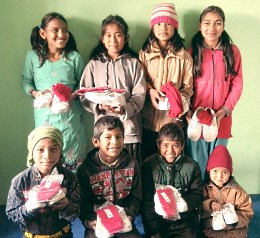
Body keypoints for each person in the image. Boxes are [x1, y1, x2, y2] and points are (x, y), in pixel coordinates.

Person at [21, 12, 87, 173]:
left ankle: (73, 197)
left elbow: (84, 84)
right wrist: (36, 93)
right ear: (43, 33)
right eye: (55, 30)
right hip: (45, 119)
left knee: (73, 166)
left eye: (65, 30)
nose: (62, 35)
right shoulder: (33, 57)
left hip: (71, 121)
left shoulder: (74, 58)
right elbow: (25, 81)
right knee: (46, 161)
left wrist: (71, 96)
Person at [79, 15, 146, 165]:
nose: (113, 40)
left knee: (130, 170)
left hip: (129, 132)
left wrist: (125, 109)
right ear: (102, 38)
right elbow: (84, 94)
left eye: (118, 35)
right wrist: (97, 106)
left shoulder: (133, 64)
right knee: (105, 173)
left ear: (126, 38)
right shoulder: (93, 65)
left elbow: (139, 94)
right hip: (104, 133)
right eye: (108, 35)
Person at [186, 6, 243, 177]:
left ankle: (215, 202)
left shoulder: (232, 52)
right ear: (200, 26)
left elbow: (237, 84)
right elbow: (186, 87)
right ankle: (200, 202)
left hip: (222, 120)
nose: (212, 28)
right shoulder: (191, 53)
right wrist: (188, 113)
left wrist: (225, 110)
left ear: (223, 26)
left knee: (218, 169)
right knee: (197, 166)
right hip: (197, 121)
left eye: (217, 23)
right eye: (207, 23)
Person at [139, 3, 193, 161]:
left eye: (168, 23)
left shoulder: (184, 57)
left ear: (175, 27)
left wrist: (177, 100)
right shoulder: (144, 54)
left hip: (174, 123)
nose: (163, 28)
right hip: (148, 122)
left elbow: (188, 89)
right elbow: (139, 81)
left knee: (173, 164)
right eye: (158, 24)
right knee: (149, 163)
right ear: (152, 27)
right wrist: (150, 90)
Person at [6, 126, 80, 237]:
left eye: (53, 149)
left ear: (60, 151)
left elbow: (77, 212)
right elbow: (11, 214)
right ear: (31, 152)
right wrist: (28, 208)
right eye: (40, 150)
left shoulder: (69, 178)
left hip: (62, 235)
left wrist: (66, 206)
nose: (47, 156)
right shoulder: (20, 181)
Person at [77, 115, 142, 238]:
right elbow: (83, 202)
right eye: (108, 137)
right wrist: (91, 221)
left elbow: (136, 196)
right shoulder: (85, 169)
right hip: (98, 221)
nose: (115, 142)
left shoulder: (132, 164)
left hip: (124, 219)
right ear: (96, 142)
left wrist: (128, 215)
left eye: (119, 137)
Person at [141, 122, 203, 238]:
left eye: (176, 145)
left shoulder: (192, 166)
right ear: (158, 144)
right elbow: (147, 201)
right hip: (159, 221)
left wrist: (185, 204)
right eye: (165, 145)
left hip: (184, 221)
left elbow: (197, 194)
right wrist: (153, 231)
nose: (170, 150)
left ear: (183, 145)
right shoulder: (148, 166)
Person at [201, 145, 253, 237]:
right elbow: (198, 206)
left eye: (225, 172)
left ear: (230, 173)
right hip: (210, 230)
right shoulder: (204, 188)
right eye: (215, 171)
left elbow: (247, 211)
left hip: (234, 231)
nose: (220, 176)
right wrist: (210, 204)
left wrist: (234, 222)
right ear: (209, 172)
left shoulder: (237, 191)